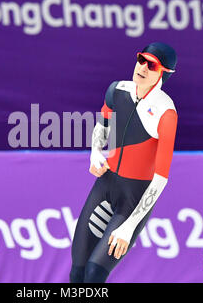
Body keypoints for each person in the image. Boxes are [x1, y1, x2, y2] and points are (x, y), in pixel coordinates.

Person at [70, 42, 178, 283]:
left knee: (94, 273)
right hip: (106, 185)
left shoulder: (166, 112)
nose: (142, 67)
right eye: (141, 59)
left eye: (151, 65)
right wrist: (95, 152)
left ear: (163, 74)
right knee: (77, 272)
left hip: (133, 199)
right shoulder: (116, 90)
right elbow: (103, 125)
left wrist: (129, 227)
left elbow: (161, 177)